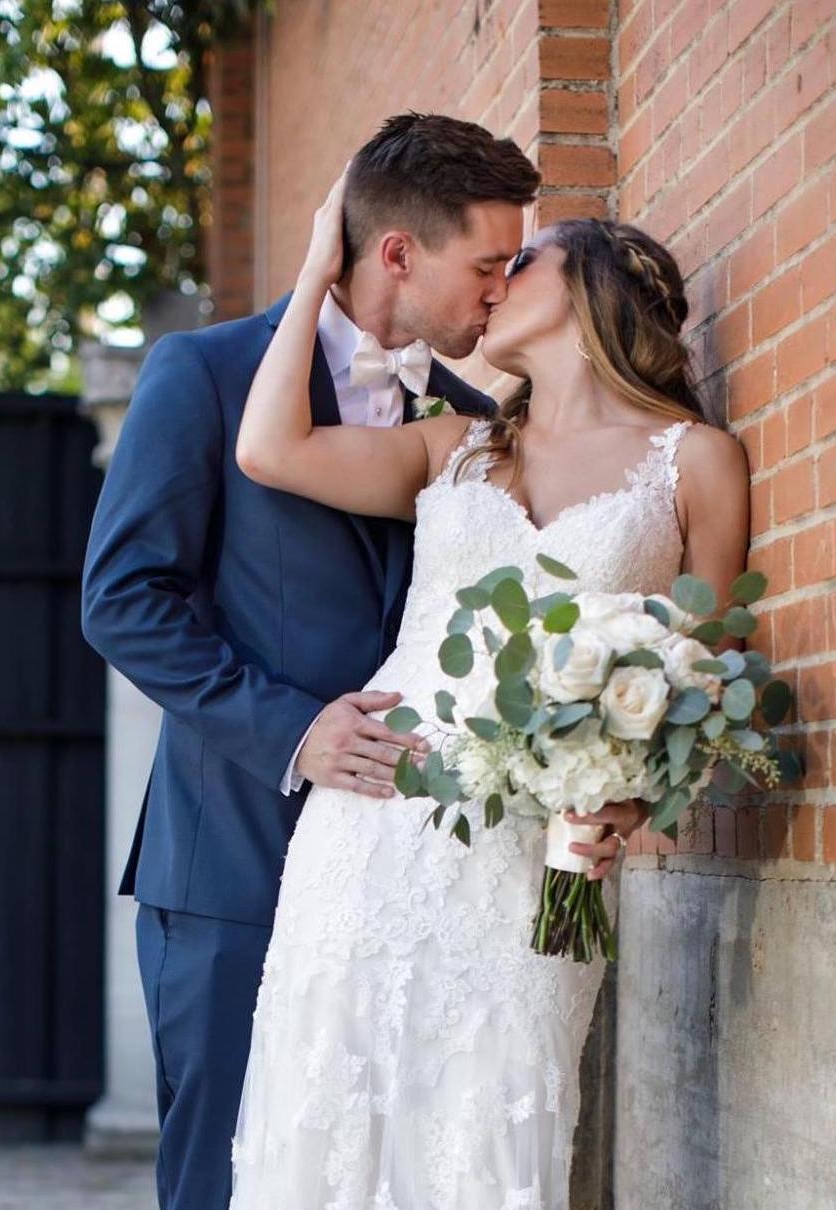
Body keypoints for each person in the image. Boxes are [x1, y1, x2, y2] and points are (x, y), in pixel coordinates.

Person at [228, 170, 749, 1208]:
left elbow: (709, 672)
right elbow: (268, 450)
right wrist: (319, 264)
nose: (498, 281)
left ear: (590, 287)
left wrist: (632, 795)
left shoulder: (695, 461)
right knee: (332, 1107)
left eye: (524, 261)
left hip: (534, 852)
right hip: (372, 821)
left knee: (492, 1115)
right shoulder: (450, 448)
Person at [80, 113, 543, 1210]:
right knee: (225, 1178)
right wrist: (294, 729)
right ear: (399, 253)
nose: (500, 291)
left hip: (411, 880)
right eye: (486, 264)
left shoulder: (475, 422)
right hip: (235, 862)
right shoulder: (205, 373)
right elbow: (122, 601)